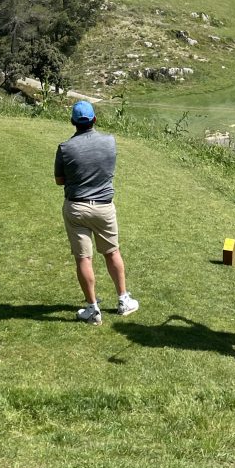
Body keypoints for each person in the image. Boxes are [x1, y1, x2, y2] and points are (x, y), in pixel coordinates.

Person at [54, 100, 139, 325]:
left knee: (84, 258)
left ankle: (92, 310)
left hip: (76, 207)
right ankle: (123, 301)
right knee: (112, 252)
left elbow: (59, 180)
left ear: (73, 122)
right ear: (94, 119)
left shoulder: (64, 148)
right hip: (104, 207)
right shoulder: (110, 142)